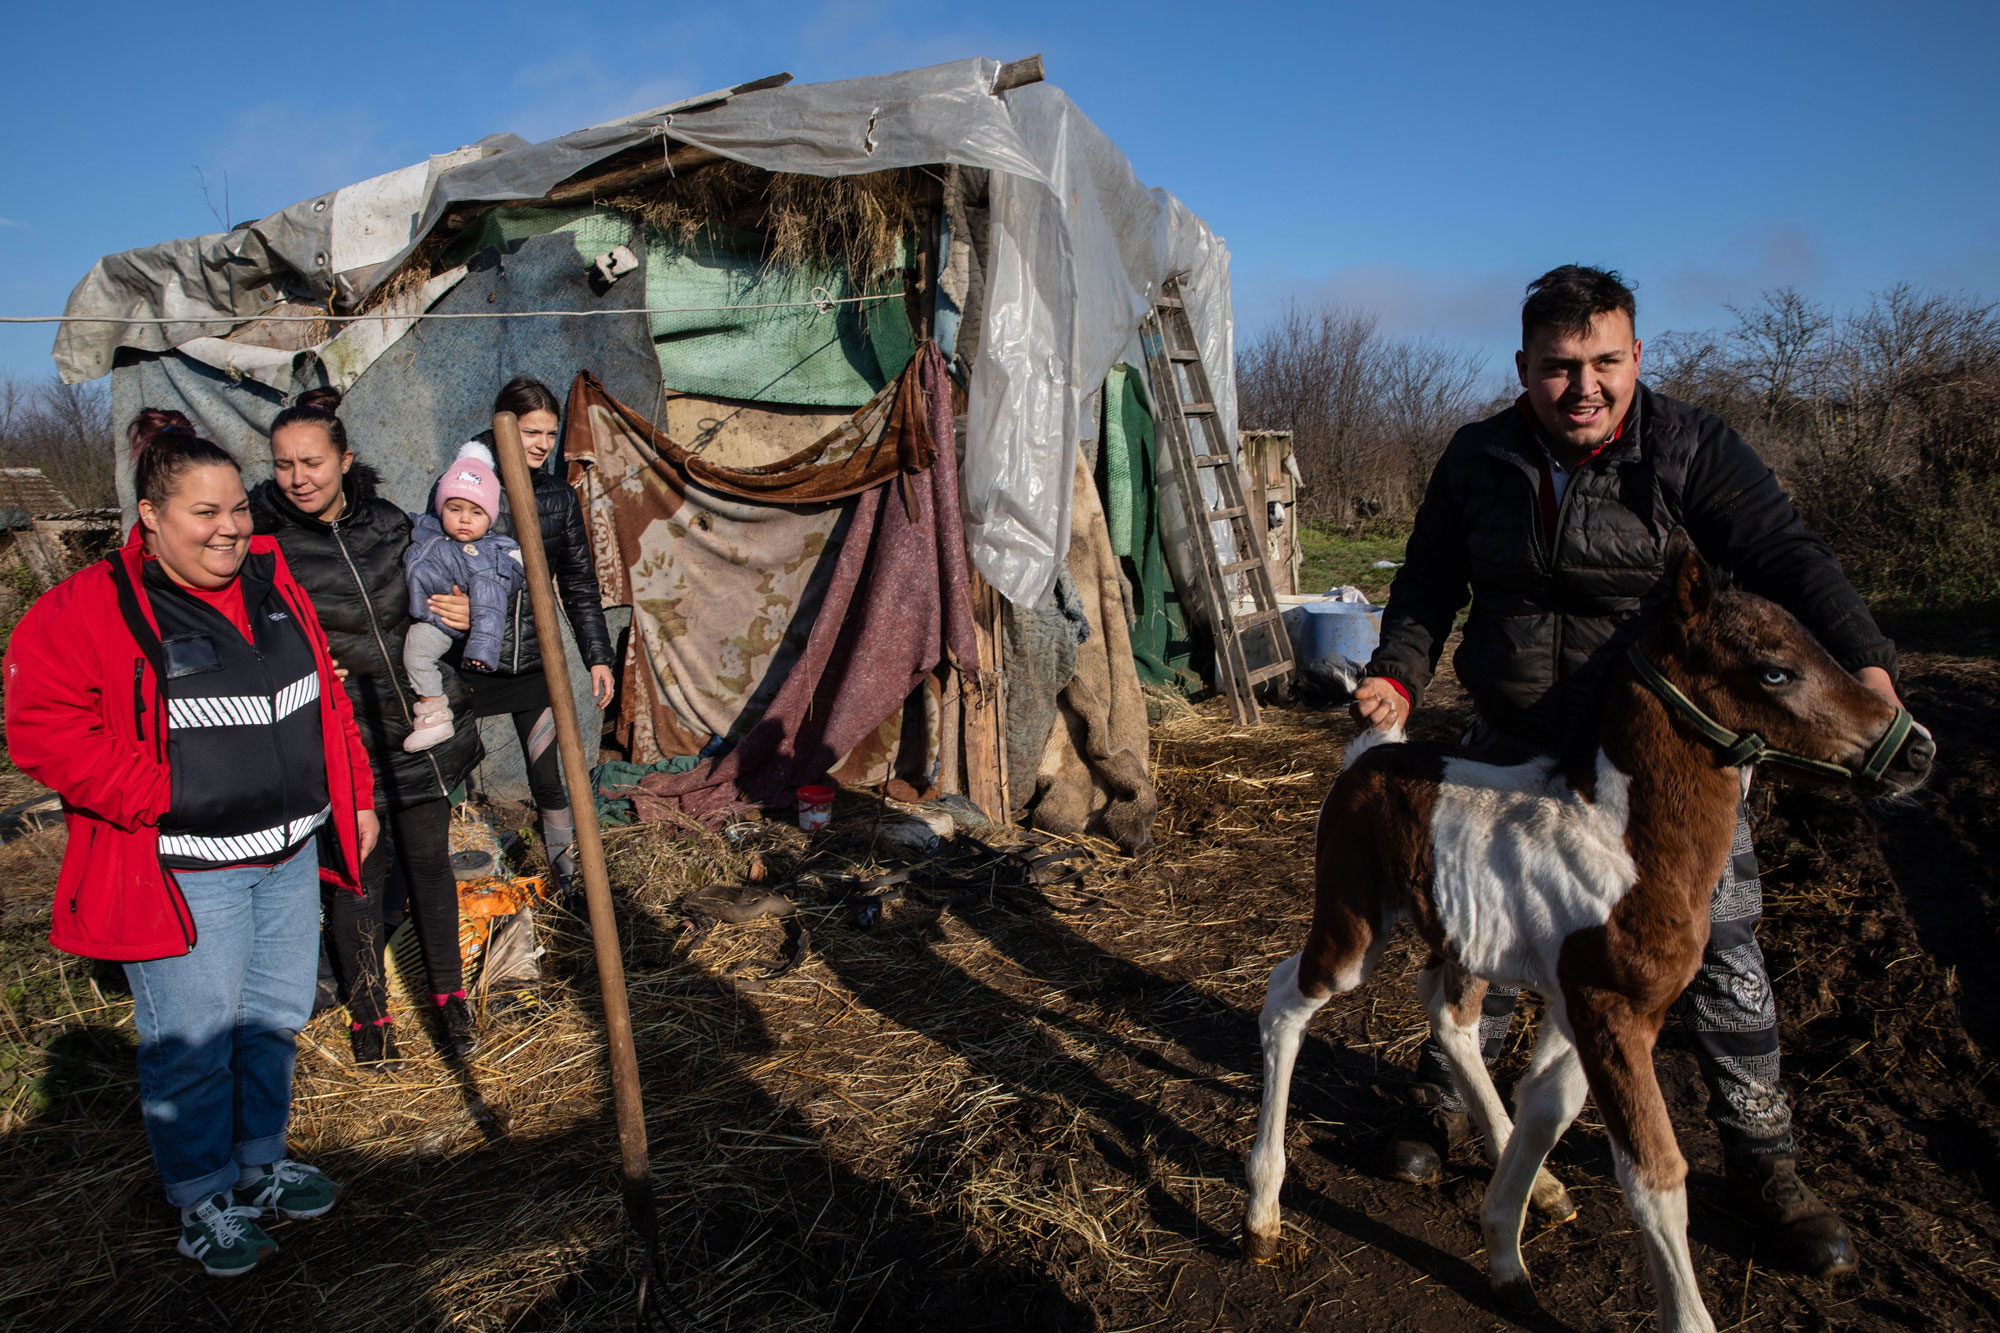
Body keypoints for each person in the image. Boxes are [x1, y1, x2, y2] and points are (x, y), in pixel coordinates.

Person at [1352, 265, 1907, 1280]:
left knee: (1719, 941)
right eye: (1558, 368)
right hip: (1516, 734)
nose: (1582, 387)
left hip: (1667, 761)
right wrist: (1395, 673)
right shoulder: (1477, 458)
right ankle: (1440, 1099)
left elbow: (1785, 557)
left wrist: (1861, 659)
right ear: (1522, 369)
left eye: (1603, 362)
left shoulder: (1691, 451)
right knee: (1477, 924)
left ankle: (1764, 1159)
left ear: (1635, 358)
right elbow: (1427, 580)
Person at [4, 411, 377, 1276]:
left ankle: (260, 1161)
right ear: (151, 517)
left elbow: (323, 694)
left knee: (272, 1023)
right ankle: (202, 1199)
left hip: (286, 855)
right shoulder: (94, 607)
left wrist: (349, 792)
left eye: (236, 509)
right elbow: (42, 725)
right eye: (204, 514)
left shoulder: (270, 577)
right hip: (186, 873)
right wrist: (159, 793)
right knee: (194, 1044)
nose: (230, 527)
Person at [251, 389, 485, 1066]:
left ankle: (450, 998)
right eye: (285, 463)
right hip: (343, 740)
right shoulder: (265, 548)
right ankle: (370, 1016)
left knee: (430, 868)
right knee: (356, 880)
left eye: (312, 461)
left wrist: (461, 611)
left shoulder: (392, 524)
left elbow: (455, 581)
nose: (299, 477)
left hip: (418, 724)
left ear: (344, 459)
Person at [428, 376, 614, 899]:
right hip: (468, 660)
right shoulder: (467, 488)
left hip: (533, 660)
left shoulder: (557, 496)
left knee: (549, 778)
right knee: (449, 776)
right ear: (501, 426)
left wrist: (597, 655)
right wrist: (453, 602)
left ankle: (565, 883)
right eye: (531, 431)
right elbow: (429, 557)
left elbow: (578, 581)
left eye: (550, 434)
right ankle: (450, 887)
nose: (541, 444)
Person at [401, 444, 526, 751]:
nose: (464, 519)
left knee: (416, 653)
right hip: (421, 610)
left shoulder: (483, 558)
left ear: (490, 517)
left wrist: (482, 651)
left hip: (440, 622)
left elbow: (488, 608)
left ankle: (435, 714)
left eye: (476, 512)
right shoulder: (430, 530)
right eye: (454, 509)